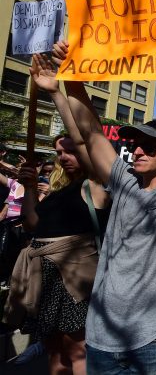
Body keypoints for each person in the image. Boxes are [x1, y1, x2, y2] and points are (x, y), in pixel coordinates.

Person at [53, 34, 156, 373]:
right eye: (134, 144)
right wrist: (71, 74)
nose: (137, 150)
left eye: (150, 146)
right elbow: (91, 132)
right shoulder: (123, 180)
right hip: (102, 336)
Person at [4, 51, 111, 374]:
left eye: (69, 151)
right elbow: (33, 224)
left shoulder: (96, 185)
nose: (63, 156)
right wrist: (31, 192)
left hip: (75, 280)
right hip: (47, 278)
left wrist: (55, 92)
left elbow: (84, 139)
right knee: (54, 351)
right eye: (58, 152)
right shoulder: (59, 189)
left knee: (75, 352)